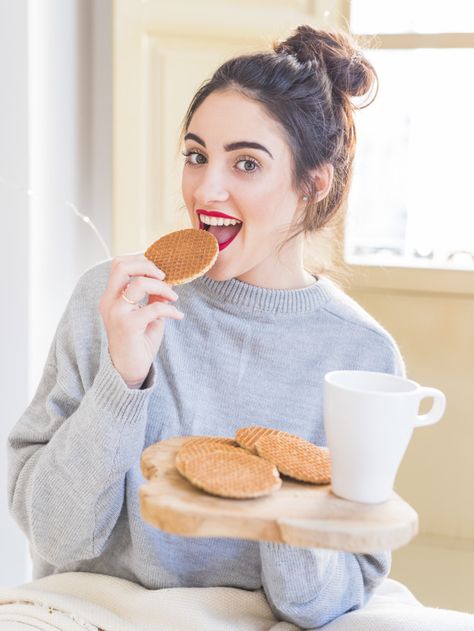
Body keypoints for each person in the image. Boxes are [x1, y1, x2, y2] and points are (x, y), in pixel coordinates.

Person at [5, 25, 420, 630]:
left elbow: (327, 599)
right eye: (197, 156)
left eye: (246, 162)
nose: (207, 188)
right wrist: (122, 381)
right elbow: (57, 535)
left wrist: (284, 501)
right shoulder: (113, 299)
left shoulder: (361, 356)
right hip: (89, 607)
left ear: (312, 184)